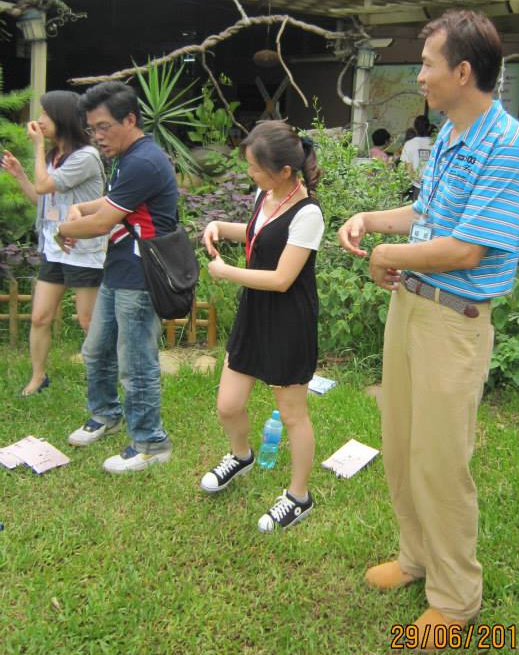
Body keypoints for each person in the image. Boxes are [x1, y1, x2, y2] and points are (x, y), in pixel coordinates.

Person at [337, 10, 519, 648]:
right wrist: (371, 219)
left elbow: (469, 249)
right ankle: (416, 558)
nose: (419, 75)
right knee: (401, 445)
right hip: (412, 308)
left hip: (455, 322)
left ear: (464, 71)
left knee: (442, 461)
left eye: (426, 63)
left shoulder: (507, 142)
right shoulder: (452, 133)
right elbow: (427, 214)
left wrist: (385, 258)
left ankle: (454, 601)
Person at [200, 121, 324, 532]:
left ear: (284, 171)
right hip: (255, 313)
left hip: (289, 321)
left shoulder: (308, 214)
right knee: (228, 404)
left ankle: (298, 497)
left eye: (254, 168)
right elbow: (258, 235)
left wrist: (226, 271)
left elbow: (281, 278)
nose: (249, 174)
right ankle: (240, 455)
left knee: (293, 415)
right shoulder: (266, 193)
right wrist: (221, 227)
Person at [55, 81, 177, 473]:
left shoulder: (144, 160)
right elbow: (110, 204)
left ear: (130, 119)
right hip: (120, 268)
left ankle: (151, 442)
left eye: (104, 126)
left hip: (141, 276)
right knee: (97, 349)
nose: (98, 137)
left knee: (136, 362)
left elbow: (104, 221)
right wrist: (78, 209)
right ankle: (105, 413)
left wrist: (65, 228)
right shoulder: (129, 156)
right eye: (92, 129)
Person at [1, 91, 105, 396]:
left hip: (82, 249)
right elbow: (42, 200)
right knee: (39, 316)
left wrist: (35, 148)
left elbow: (46, 184)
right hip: (54, 247)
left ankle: (101, 381)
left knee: (88, 321)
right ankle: (38, 376)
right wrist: (21, 176)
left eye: (46, 114)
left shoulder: (86, 157)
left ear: (62, 118)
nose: (40, 121)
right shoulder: (53, 157)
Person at [399, 114, 434, 201]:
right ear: (429, 127)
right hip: (433, 186)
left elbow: (408, 168)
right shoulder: (436, 144)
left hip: (417, 185)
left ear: (415, 128)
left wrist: (417, 180)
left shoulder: (409, 144)